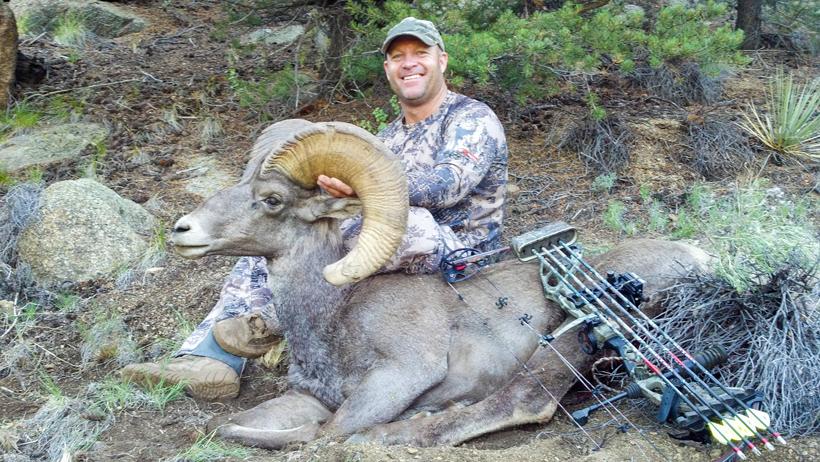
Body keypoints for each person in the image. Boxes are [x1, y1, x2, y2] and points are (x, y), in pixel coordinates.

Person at [121, 17, 509, 400]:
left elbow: (448, 186)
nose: (409, 63)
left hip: (460, 252)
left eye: (420, 53)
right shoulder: (387, 136)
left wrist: (362, 185)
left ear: (441, 60)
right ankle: (213, 358)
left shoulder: (471, 118)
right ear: (388, 68)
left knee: (414, 222)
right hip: (385, 249)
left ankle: (270, 322)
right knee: (278, 232)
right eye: (397, 56)